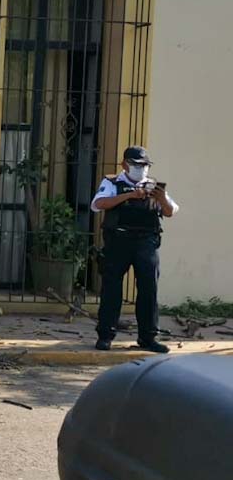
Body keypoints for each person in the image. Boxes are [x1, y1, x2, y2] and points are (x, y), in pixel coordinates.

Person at [90, 146, 178, 353]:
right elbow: (98, 204)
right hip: (118, 241)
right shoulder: (112, 183)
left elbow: (171, 211)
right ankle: (105, 336)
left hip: (146, 243)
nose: (141, 169)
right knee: (112, 289)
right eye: (136, 165)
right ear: (124, 165)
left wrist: (161, 198)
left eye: (144, 165)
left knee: (149, 289)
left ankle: (148, 338)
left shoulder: (153, 186)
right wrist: (129, 196)